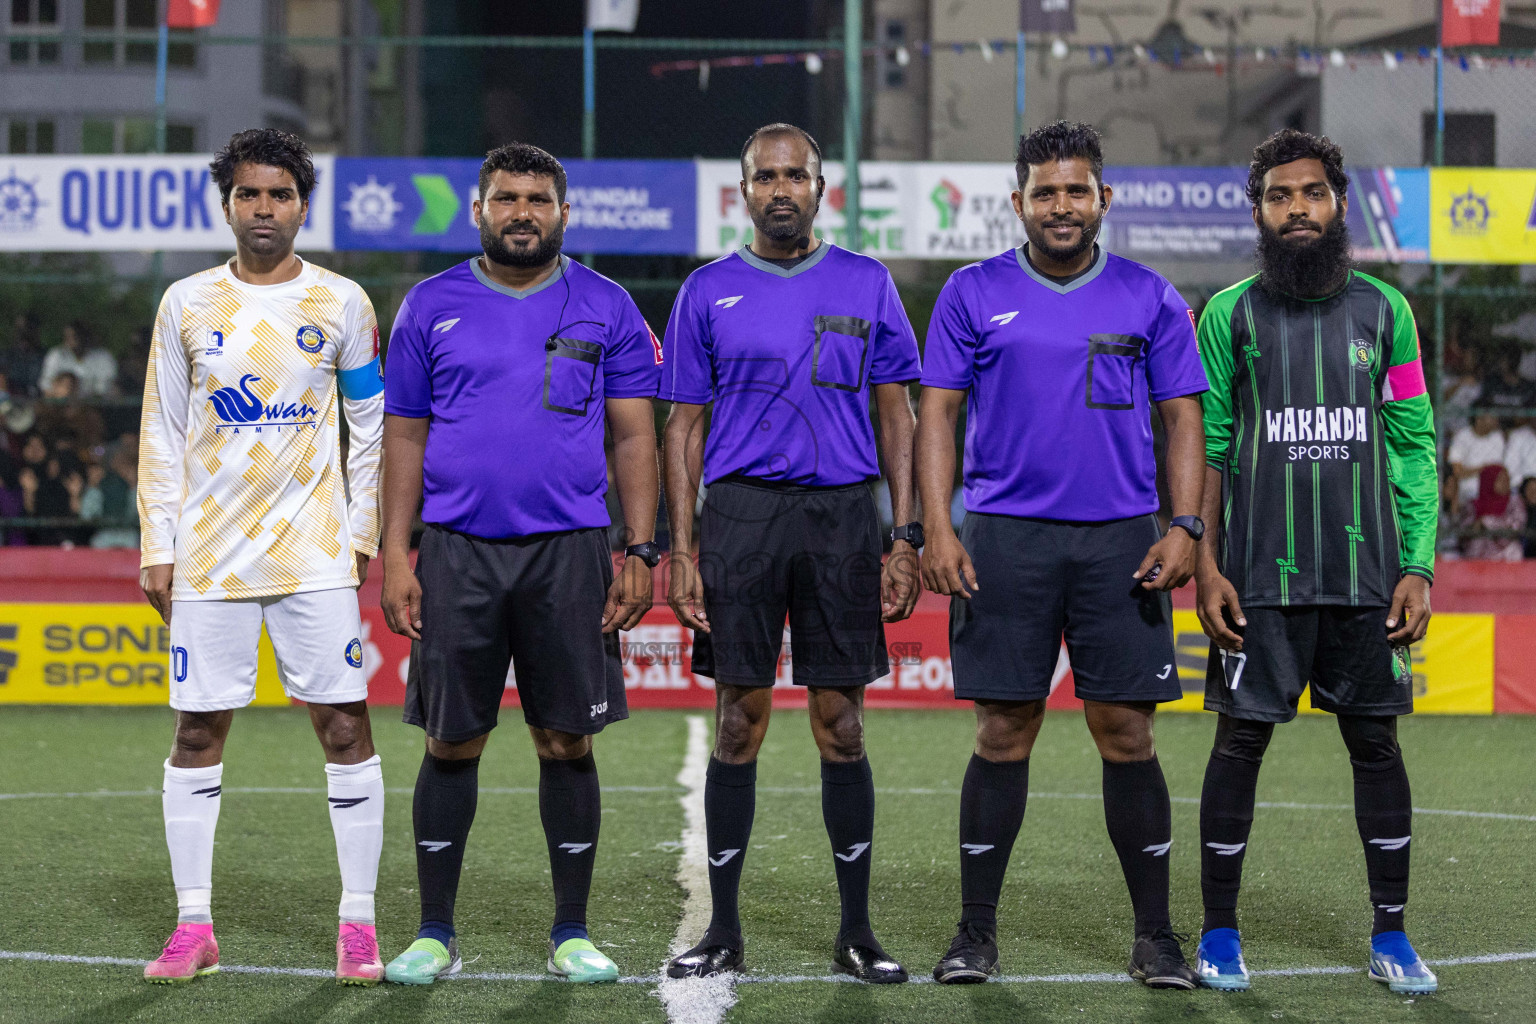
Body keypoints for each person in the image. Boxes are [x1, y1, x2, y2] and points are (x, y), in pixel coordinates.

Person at [916, 120, 1209, 989]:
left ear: (1102, 199)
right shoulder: (971, 293)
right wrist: (937, 526)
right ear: (1018, 203)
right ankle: (974, 933)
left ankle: (1156, 937)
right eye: (1045, 192)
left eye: (1076, 190)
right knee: (1004, 731)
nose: (1061, 205)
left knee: (1126, 734)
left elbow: (1183, 419)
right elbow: (937, 414)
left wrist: (1185, 525)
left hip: (1123, 542)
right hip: (1005, 538)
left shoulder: (1149, 296)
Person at [378, 142, 661, 986]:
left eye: (539, 198)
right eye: (506, 197)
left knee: (565, 738)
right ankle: (435, 934)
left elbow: (635, 434)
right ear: (479, 210)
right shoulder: (429, 305)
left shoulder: (606, 305)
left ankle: (570, 932)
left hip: (570, 551)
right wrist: (398, 551)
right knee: (450, 737)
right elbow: (403, 436)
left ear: (564, 213)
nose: (523, 212)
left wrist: (641, 549)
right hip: (457, 551)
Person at [660, 123, 922, 984]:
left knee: (840, 726)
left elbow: (897, 415)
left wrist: (905, 533)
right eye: (765, 177)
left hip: (843, 517)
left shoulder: (867, 281)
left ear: (821, 187)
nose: (781, 189)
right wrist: (682, 545)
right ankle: (724, 930)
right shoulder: (706, 291)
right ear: (744, 189)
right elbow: (683, 427)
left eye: (795, 176)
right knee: (739, 720)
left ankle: (857, 932)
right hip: (740, 516)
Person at [136, 129, 388, 985]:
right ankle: (192, 924)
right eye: (249, 195)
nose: (264, 209)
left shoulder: (344, 304)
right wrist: (156, 544)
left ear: (302, 206)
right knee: (197, 729)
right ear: (229, 205)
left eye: (279, 195)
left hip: (315, 552)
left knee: (345, 725)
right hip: (208, 555)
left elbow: (370, 426)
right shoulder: (187, 304)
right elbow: (162, 432)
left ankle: (359, 924)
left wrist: (360, 537)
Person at [1191, 129, 1440, 994]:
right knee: (1240, 744)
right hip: (1258, 582)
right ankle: (1219, 933)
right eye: (1279, 197)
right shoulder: (1228, 315)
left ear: (1339, 203)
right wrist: (1207, 565)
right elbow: (1212, 447)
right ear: (1258, 210)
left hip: (1370, 583)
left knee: (1376, 745)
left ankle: (1394, 935)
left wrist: (1419, 566)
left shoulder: (1388, 312)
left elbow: (1412, 445)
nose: (1297, 209)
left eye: (1313, 194)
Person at [1459, 465, 1525, 561]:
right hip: (1477, 560)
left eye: (1507, 479)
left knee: (1515, 548)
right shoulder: (1472, 505)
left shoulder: (1515, 502)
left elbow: (1516, 526)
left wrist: (1486, 521)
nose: (1506, 482)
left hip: (1506, 556)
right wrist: (1475, 526)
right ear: (1489, 480)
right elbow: (1464, 531)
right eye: (1500, 479)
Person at [38, 320, 118, 397]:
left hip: (94, 405)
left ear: (86, 336)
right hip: (61, 406)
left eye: (75, 336)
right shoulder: (56, 355)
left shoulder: (104, 357)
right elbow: (46, 385)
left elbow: (107, 388)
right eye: (68, 337)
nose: (72, 341)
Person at [1447, 413, 1505, 508]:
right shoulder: (1462, 436)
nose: (1496, 419)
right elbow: (1457, 472)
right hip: (1466, 493)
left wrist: (1479, 470)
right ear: (1479, 419)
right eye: (1492, 417)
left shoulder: (1498, 437)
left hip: (1491, 495)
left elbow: (1499, 472)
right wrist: (1484, 469)